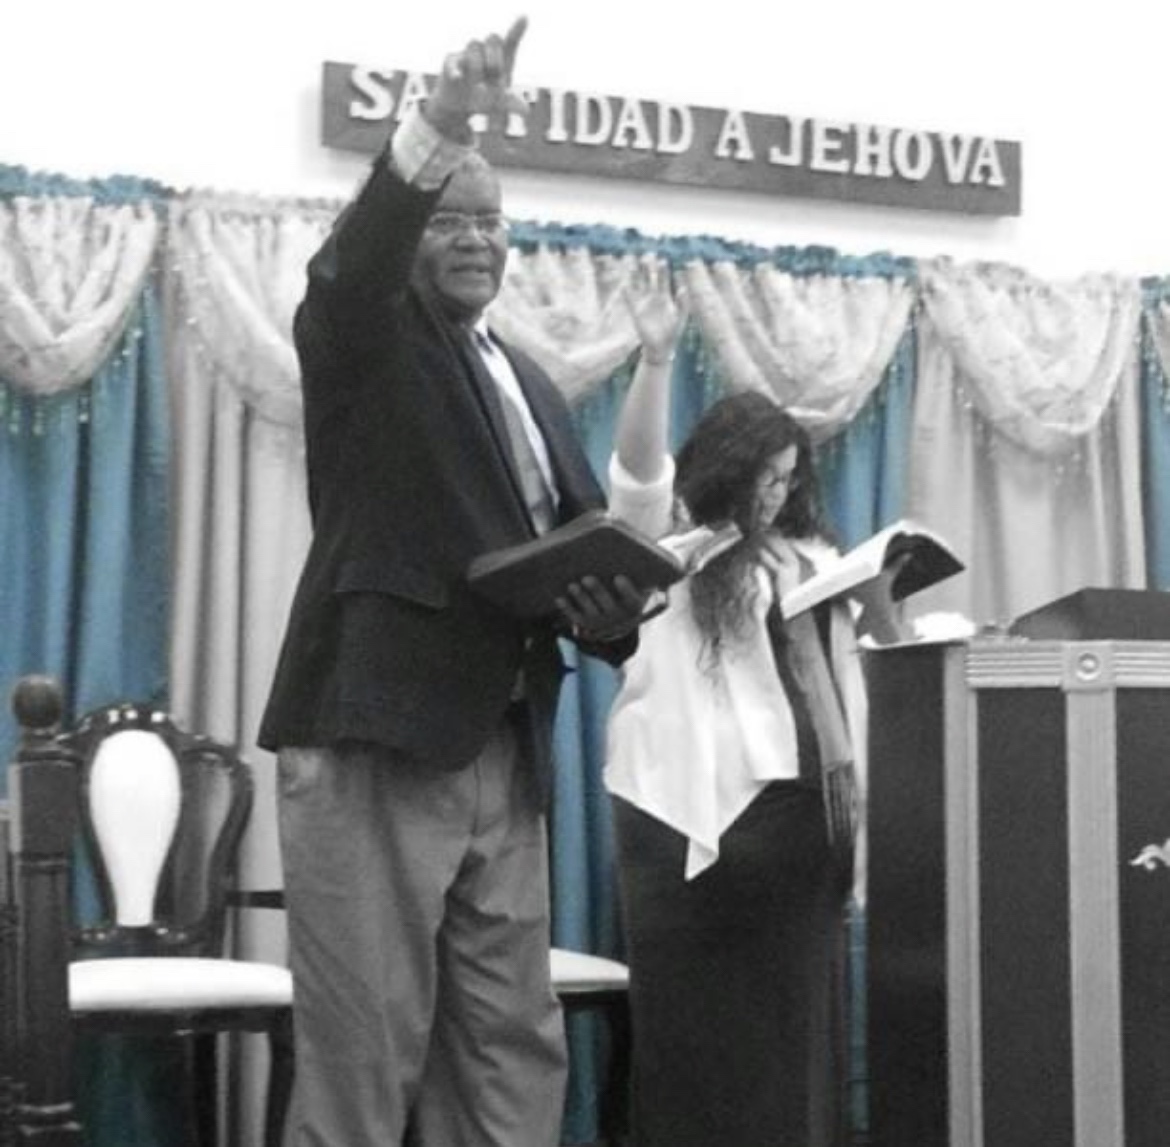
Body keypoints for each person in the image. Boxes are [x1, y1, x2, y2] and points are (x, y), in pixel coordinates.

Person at [257, 18, 650, 1147]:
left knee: (511, 1042)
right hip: (378, 733)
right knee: (367, 1049)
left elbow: (574, 536)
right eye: (451, 218)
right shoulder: (367, 337)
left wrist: (610, 608)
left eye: (493, 221)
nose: (478, 239)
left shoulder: (526, 375)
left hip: (508, 738)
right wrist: (439, 124)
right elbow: (353, 263)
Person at [603, 272, 908, 1147]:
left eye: (787, 479)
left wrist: (882, 608)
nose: (774, 495)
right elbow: (635, 477)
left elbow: (871, 673)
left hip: (804, 825)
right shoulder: (676, 547)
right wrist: (656, 359)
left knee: (790, 1040)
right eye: (762, 478)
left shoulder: (812, 555)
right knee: (697, 1040)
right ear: (727, 469)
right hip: (690, 820)